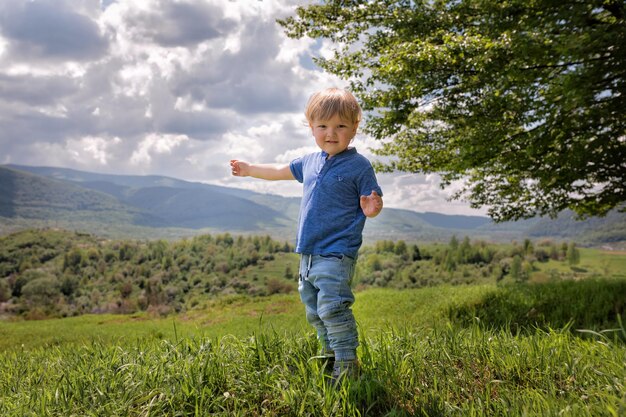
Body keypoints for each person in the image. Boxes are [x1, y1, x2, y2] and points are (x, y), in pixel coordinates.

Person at [230, 87, 383, 382]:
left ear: (354, 128)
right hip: (309, 254)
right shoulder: (309, 161)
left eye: (340, 126)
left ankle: (347, 363)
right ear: (311, 127)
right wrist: (249, 169)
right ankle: (330, 355)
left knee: (333, 307)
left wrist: (372, 207)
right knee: (314, 311)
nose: (331, 133)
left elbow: (371, 202)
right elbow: (277, 171)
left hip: (337, 253)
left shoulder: (359, 166)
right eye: (323, 126)